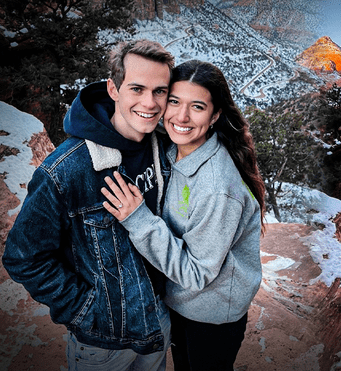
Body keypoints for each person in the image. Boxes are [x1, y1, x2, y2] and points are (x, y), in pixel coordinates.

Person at [3, 39, 175, 370]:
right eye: (137, 89)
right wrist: (89, 310)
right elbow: (23, 257)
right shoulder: (67, 170)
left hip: (158, 321)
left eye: (160, 91)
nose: (150, 103)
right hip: (104, 342)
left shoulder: (164, 146)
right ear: (113, 89)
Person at [100, 60, 266, 371]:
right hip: (178, 300)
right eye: (174, 101)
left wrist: (137, 220)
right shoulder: (169, 149)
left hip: (210, 313)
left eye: (197, 107)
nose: (181, 116)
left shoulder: (218, 188)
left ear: (215, 115)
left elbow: (197, 274)